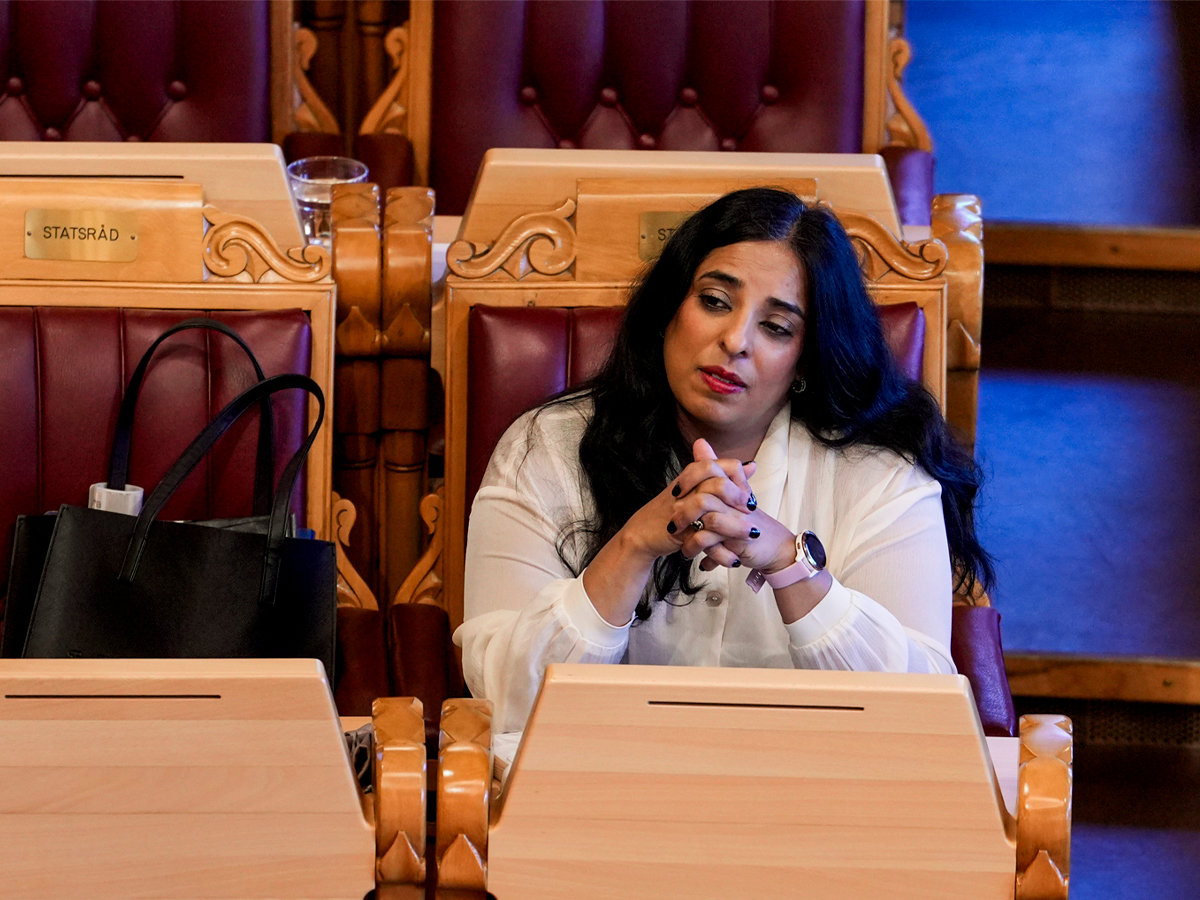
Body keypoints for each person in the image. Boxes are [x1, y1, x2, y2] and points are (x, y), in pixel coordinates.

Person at [457, 188, 992, 737]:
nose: (735, 340)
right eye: (714, 301)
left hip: (808, 793)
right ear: (668, 309)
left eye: (777, 327)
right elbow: (503, 698)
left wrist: (789, 561)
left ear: (806, 359)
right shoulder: (547, 446)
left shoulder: (880, 469)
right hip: (598, 788)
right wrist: (634, 546)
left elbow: (920, 711)